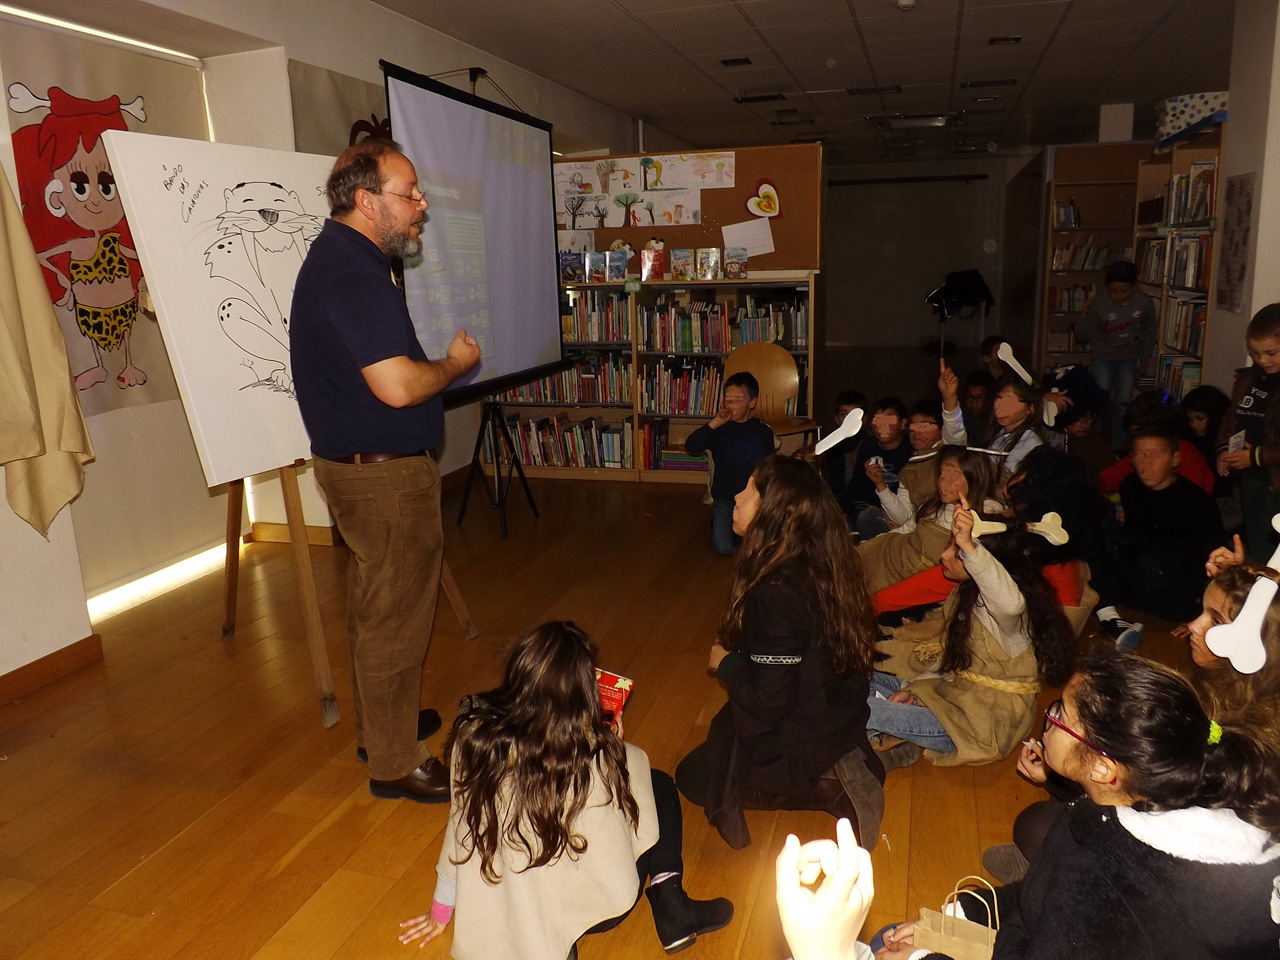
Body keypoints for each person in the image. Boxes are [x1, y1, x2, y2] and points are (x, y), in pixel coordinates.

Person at [292, 140, 480, 802]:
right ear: (368, 201)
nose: (422, 203)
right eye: (410, 192)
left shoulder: (344, 261)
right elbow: (398, 387)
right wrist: (457, 365)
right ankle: (396, 762)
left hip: (363, 471)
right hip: (384, 480)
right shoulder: (351, 274)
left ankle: (383, 729)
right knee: (395, 618)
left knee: (379, 611)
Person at [878, 651, 1280, 959]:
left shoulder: (1107, 886)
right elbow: (1046, 898)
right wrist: (962, 916)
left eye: (1059, 714)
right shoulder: (1170, 789)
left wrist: (925, 955)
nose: (1047, 718)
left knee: (884, 940)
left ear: (1104, 769)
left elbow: (1063, 915)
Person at [398, 622, 733, 959]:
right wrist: (614, 749)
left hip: (516, 907)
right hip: (591, 908)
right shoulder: (595, 757)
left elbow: (462, 831)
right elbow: (619, 829)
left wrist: (441, 910)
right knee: (657, 783)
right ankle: (672, 903)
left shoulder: (473, 743)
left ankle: (550, 939)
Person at [675, 455, 884, 851]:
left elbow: (769, 700)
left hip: (802, 726)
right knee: (713, 755)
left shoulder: (776, 591)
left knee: (695, 779)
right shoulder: (821, 559)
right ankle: (840, 756)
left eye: (749, 490)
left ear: (773, 513)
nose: (736, 496)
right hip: (834, 710)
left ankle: (830, 784)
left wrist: (727, 664)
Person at [868, 499, 1075, 770]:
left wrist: (970, 547)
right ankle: (887, 739)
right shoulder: (964, 595)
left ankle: (874, 737)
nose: (945, 555)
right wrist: (914, 691)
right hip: (949, 695)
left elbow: (1009, 601)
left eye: (957, 552)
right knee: (858, 679)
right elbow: (953, 663)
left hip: (979, 725)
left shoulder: (1008, 617)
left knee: (861, 708)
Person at [1109, 425, 1226, 622]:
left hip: (1176, 585)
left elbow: (1212, 557)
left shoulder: (1197, 501)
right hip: (1135, 577)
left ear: (1175, 459)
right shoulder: (1130, 485)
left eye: (1156, 455)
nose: (1147, 463)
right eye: (1140, 455)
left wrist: (1202, 613)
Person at [859, 445, 1000, 595]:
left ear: (975, 477)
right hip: (892, 553)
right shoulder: (932, 506)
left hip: (912, 575)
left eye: (954, 475)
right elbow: (904, 530)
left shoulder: (988, 510)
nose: (943, 481)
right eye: (941, 473)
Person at [684, 371, 775, 556]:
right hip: (726, 498)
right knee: (724, 547)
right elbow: (691, 445)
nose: (731, 404)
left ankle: (738, 529)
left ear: (752, 402)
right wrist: (715, 422)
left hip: (754, 499)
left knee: (765, 546)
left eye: (737, 400)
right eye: (728, 399)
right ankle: (719, 522)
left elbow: (770, 465)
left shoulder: (762, 431)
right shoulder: (719, 429)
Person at [1217, 303, 1280, 563]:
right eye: (1255, 353)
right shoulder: (1247, 380)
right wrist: (1223, 450)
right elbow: (1231, 419)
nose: (1262, 360)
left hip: (1275, 481)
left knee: (1273, 550)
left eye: (1271, 353)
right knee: (1256, 544)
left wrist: (1255, 456)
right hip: (1250, 480)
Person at [1074, 259, 1158, 452]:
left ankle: (1118, 447)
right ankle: (1093, 443)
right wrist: (1084, 314)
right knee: (1099, 399)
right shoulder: (1099, 301)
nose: (1118, 296)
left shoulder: (1144, 303)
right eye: (1113, 291)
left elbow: (1149, 331)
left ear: (1134, 287)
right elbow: (1081, 335)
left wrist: (1145, 357)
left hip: (1128, 357)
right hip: (1102, 355)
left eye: (1124, 291)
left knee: (1123, 403)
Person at [941, 363, 1045, 480]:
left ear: (1031, 408)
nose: (999, 406)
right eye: (997, 399)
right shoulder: (997, 432)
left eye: (1009, 402)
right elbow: (957, 447)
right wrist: (949, 397)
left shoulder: (1030, 446)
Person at [838, 397, 912, 538]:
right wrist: (840, 509)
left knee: (867, 519)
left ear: (903, 424)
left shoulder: (912, 449)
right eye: (878, 420)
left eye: (889, 420)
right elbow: (857, 483)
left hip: (899, 512)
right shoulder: (868, 446)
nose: (882, 425)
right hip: (867, 506)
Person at [1182, 383, 1234, 499]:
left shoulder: (1225, 438)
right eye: (1190, 419)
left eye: (1200, 418)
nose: (1194, 425)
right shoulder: (1187, 439)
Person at [823, 389, 867, 502]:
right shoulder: (830, 446)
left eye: (854, 415)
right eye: (844, 415)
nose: (849, 420)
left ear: (864, 419)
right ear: (837, 419)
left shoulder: (870, 444)